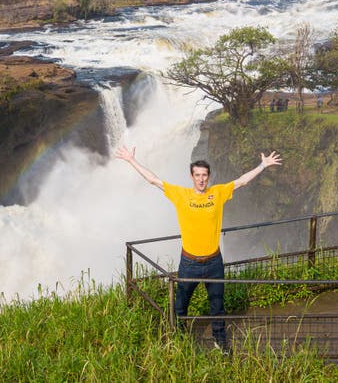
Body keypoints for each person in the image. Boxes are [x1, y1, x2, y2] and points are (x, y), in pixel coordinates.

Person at [115, 146, 282, 352]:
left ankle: (220, 342)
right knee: (180, 305)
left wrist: (263, 165)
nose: (201, 179)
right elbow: (153, 180)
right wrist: (131, 160)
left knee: (217, 306)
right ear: (191, 177)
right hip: (189, 263)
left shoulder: (218, 193)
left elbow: (242, 181)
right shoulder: (181, 195)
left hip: (214, 262)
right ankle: (180, 337)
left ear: (208, 177)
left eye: (204, 175)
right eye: (197, 175)